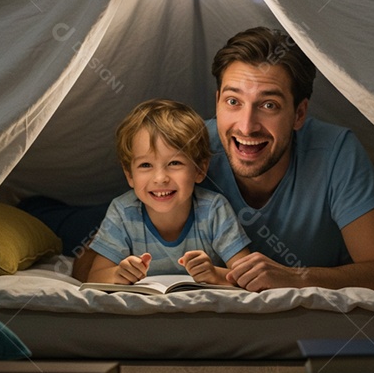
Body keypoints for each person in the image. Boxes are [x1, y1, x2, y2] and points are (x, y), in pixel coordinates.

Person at [200, 26, 374, 292]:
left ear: (299, 114)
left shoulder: (335, 150)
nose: (247, 126)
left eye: (269, 105)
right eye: (233, 101)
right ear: (218, 101)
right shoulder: (189, 147)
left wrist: (296, 278)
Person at [83, 99, 252, 285]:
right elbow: (95, 277)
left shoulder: (214, 209)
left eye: (174, 163)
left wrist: (214, 274)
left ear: (200, 169)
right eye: (145, 165)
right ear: (129, 175)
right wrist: (117, 274)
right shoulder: (123, 211)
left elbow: (245, 275)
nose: (160, 178)